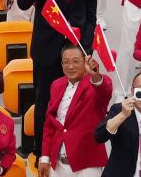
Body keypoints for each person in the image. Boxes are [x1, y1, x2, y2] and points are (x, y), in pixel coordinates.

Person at [16, 0, 98, 151]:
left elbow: (90, 2)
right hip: (47, 48)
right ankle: (44, 152)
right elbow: (23, 2)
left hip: (77, 45)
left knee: (78, 101)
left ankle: (73, 149)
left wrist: (87, 44)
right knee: (44, 102)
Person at [39, 46, 114, 177]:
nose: (70, 66)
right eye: (66, 62)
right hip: (58, 164)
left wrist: (95, 76)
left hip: (87, 165)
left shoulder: (95, 83)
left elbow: (104, 91)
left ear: (85, 62)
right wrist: (45, 158)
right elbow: (50, 124)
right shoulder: (56, 85)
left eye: (75, 61)